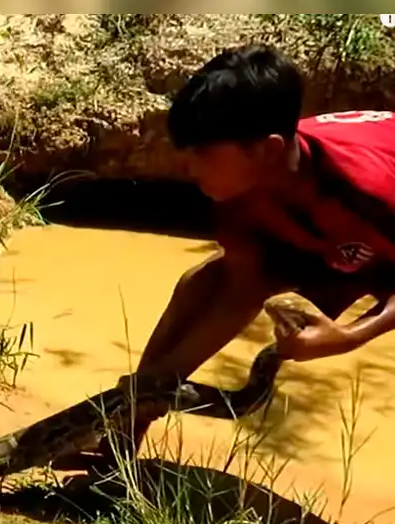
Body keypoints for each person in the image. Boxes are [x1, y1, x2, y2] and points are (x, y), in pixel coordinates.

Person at [100, 43, 395, 462]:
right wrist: (149, 391)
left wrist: (349, 336)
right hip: (336, 235)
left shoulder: (368, 188)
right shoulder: (242, 187)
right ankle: (125, 427)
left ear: (269, 150)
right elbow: (241, 288)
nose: (188, 168)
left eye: (202, 155)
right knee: (205, 282)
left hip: (375, 222)